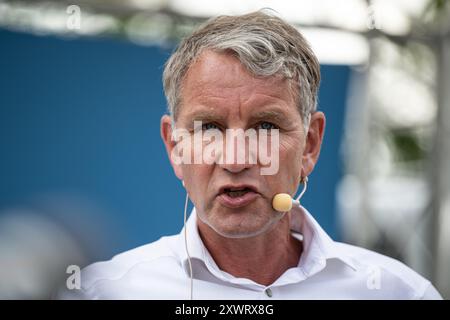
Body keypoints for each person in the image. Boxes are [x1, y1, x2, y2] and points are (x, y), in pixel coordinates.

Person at [57, 11, 442, 299]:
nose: (237, 159)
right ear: (175, 147)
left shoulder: (398, 293)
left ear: (310, 145)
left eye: (266, 128)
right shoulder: (102, 292)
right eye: (209, 127)